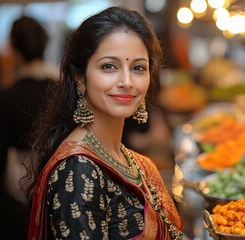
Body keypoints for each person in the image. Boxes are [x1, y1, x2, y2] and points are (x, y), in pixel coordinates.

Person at [24, 6, 183, 240]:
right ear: (80, 77)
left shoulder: (131, 160)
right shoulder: (77, 170)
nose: (127, 81)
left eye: (138, 68)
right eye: (109, 66)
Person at [0, 16, 57, 240]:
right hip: (60, 195)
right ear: (46, 44)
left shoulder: (4, 99)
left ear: (14, 48)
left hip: (16, 202)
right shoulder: (62, 92)